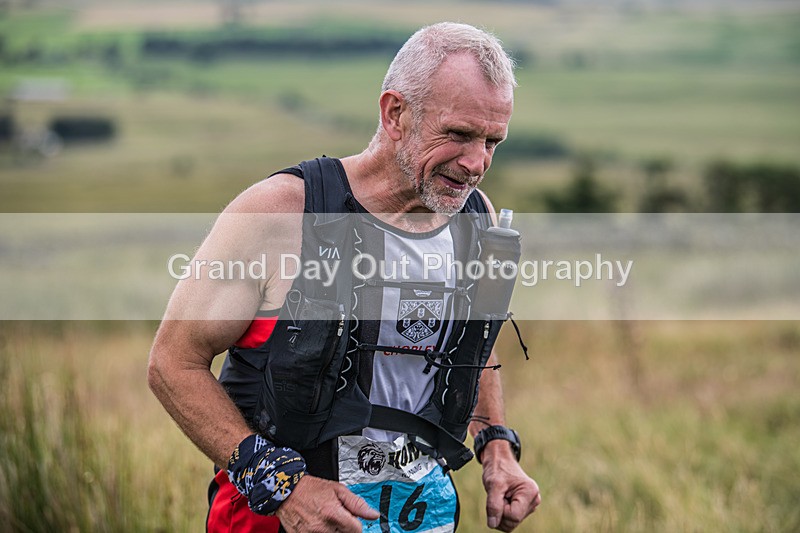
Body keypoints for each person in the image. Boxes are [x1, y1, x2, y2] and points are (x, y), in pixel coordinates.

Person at [148, 22, 541, 533]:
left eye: (493, 141)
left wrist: (496, 447)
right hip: (280, 519)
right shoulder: (285, 211)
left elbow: (473, 341)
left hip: (423, 515)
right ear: (395, 113)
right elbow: (172, 364)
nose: (476, 163)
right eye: (460, 134)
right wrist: (282, 487)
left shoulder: (475, 220)